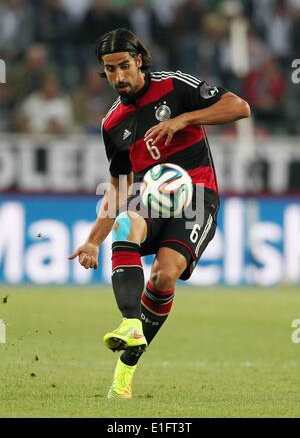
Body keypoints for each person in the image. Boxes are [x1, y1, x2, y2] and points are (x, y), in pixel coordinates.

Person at [68, 28, 250, 399]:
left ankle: (125, 369)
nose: (118, 77)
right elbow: (119, 186)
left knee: (164, 276)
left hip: (197, 197)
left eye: (123, 66)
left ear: (139, 60)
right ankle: (131, 322)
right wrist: (91, 240)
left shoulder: (175, 86)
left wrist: (183, 120)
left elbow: (240, 107)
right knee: (125, 220)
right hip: (150, 199)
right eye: (109, 69)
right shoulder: (112, 125)